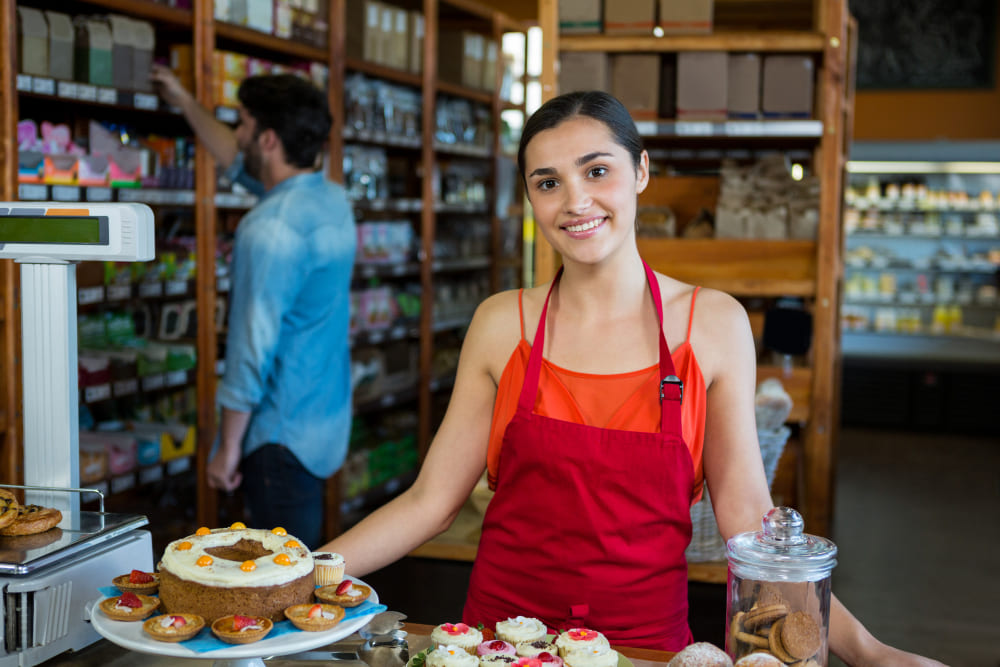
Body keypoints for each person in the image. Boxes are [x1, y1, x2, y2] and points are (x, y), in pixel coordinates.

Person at [317, 91, 942, 664]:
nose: (575, 202)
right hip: (496, 644)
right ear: (531, 199)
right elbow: (431, 501)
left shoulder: (713, 325)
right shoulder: (502, 323)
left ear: (640, 171)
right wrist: (304, 570)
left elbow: (748, 520)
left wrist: (870, 651)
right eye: (548, 183)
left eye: (597, 171)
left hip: (645, 651)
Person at [151, 65, 356, 550]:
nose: (236, 133)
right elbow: (237, 159)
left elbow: (249, 350)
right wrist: (184, 101)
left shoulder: (267, 229)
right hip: (322, 426)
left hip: (275, 436)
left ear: (267, 139)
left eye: (242, 123)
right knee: (300, 566)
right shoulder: (332, 200)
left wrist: (227, 449)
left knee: (270, 580)